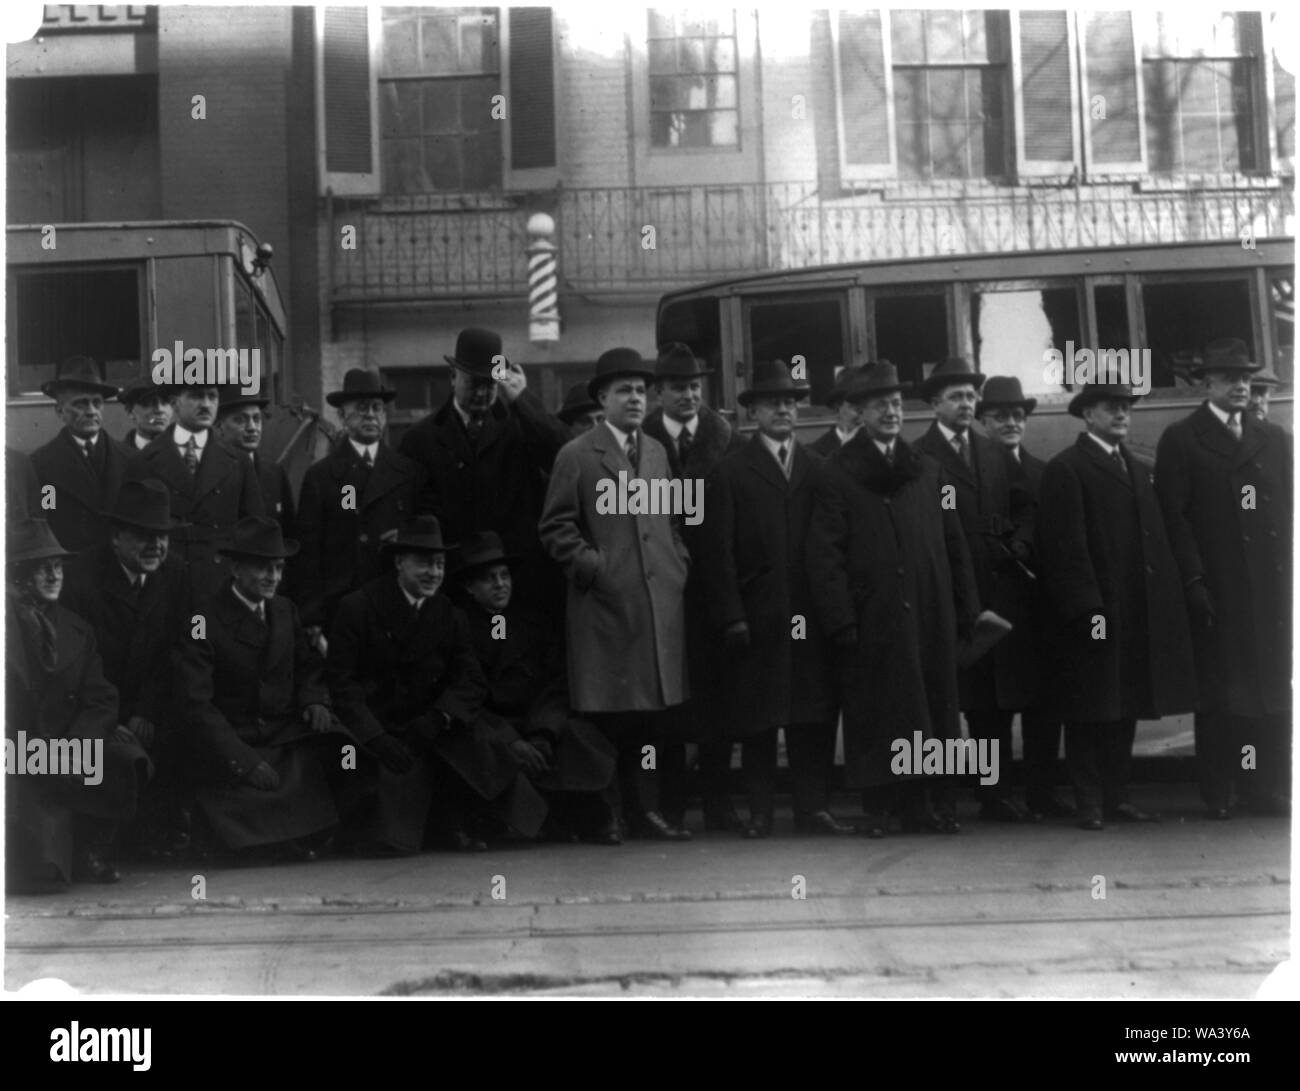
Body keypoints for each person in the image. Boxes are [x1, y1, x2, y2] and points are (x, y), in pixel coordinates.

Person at [808, 363, 980, 837]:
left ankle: (927, 802)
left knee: (932, 704)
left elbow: (953, 542)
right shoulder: (835, 475)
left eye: (898, 404)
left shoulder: (930, 470)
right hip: (874, 614)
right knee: (882, 708)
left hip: (930, 610)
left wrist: (966, 606)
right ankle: (883, 805)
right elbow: (825, 557)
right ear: (859, 413)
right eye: (880, 404)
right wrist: (841, 620)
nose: (891, 412)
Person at [539, 347, 692, 841]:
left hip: (654, 607)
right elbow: (555, 527)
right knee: (608, 718)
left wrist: (677, 565)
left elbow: (670, 520)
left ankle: (643, 810)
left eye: (640, 390)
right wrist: (595, 568)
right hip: (604, 608)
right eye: (623, 390)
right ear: (601, 398)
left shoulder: (655, 453)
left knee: (649, 720)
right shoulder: (577, 454)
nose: (634, 398)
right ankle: (606, 814)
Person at [327, 517, 546, 854]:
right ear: (400, 563)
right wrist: (376, 737)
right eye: (425, 564)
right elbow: (343, 685)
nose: (434, 573)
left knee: (476, 749)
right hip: (377, 729)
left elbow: (470, 679)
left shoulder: (446, 612)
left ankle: (466, 823)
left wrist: (440, 717)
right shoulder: (357, 607)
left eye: (440, 564)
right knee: (388, 813)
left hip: (427, 726)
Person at [1036, 382, 1197, 830]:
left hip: (1131, 611)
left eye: (1126, 408)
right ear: (1088, 415)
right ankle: (1089, 801)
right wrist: (1089, 611)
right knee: (1090, 707)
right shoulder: (1067, 469)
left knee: (1122, 704)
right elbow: (1066, 550)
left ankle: (1115, 795)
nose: (1122, 415)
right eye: (1112, 408)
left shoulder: (1133, 466)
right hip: (1095, 613)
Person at [699, 360, 850, 838]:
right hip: (757, 615)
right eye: (772, 404)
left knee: (813, 714)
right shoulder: (730, 472)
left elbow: (834, 545)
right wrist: (731, 616)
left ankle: (813, 808)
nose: (782, 410)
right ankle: (761, 812)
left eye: (789, 402)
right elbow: (716, 552)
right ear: (754, 413)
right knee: (759, 718)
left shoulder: (818, 468)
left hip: (808, 612)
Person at [1154, 338, 1292, 818]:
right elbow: (1176, 517)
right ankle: (1221, 791)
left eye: (1246, 378)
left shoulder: (1273, 438)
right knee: (1221, 695)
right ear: (1206, 384)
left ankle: (1263, 787)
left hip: (1271, 589)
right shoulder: (1183, 438)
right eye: (1230, 378)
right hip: (1220, 587)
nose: (1241, 386)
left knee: (1270, 692)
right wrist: (1193, 581)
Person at [177, 517, 341, 860]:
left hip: (282, 733)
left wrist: (314, 700)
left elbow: (308, 664)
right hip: (234, 739)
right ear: (235, 568)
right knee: (246, 791)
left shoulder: (285, 609)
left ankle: (309, 836)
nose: (274, 578)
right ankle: (261, 842)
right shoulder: (202, 620)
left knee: (343, 747)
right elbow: (196, 705)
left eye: (279, 568)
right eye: (263, 568)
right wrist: (244, 761)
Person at [914, 358, 1035, 822]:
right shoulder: (921, 456)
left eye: (970, 396)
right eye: (955, 397)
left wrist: (1019, 542)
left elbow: (1027, 505)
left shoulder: (994, 453)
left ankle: (994, 793)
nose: (965, 404)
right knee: (948, 697)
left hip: (997, 588)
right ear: (934, 404)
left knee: (993, 702)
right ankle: (937, 798)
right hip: (947, 589)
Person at [6, 519, 147, 892]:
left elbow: (101, 698)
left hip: (67, 748)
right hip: (17, 753)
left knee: (125, 757)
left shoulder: (77, 629)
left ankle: (91, 849)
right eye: (43, 567)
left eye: (58, 566)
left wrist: (76, 746)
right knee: (40, 875)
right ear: (19, 574)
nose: (54, 575)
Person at [454, 530, 620, 842]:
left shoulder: (531, 624)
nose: (501, 584)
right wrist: (509, 740)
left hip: (536, 722)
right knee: (475, 748)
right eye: (489, 578)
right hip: (491, 727)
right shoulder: (458, 628)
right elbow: (463, 696)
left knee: (580, 737)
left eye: (504, 576)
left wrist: (542, 733)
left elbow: (556, 683)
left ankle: (596, 819)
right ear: (470, 587)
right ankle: (513, 824)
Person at [641, 341, 744, 833]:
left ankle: (719, 802)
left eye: (695, 387)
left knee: (719, 704)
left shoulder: (727, 441)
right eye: (678, 387)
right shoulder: (641, 441)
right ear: (658, 392)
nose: (689, 395)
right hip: (660, 590)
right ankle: (673, 804)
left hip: (714, 590)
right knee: (668, 708)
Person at [61, 480, 193, 857]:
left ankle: (165, 830)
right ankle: (98, 843)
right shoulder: (79, 579)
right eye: (143, 536)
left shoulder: (177, 574)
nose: (156, 546)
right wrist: (111, 718)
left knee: (194, 723)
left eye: (162, 536)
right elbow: (76, 665)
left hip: (152, 701)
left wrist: (148, 709)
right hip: (95, 706)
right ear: (116, 536)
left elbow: (182, 646)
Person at [398, 327, 568, 616]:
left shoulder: (519, 425)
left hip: (516, 585)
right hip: (454, 587)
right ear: (453, 378)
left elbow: (565, 455)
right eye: (473, 383)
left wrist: (521, 399)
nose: (482, 392)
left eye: (490, 384)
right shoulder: (420, 439)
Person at [975, 376, 1072, 820]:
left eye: (1018, 416)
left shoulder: (1044, 472)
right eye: (1000, 416)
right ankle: (994, 796)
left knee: (1042, 706)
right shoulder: (974, 470)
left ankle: (1042, 791)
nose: (1011, 423)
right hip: (993, 607)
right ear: (983, 421)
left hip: (1036, 611)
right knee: (989, 712)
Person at [295, 368, 427, 640]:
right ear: (342, 416)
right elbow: (308, 555)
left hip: (394, 601)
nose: (370, 415)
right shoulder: (321, 476)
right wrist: (312, 617)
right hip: (341, 609)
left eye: (378, 408)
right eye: (362, 407)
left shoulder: (407, 472)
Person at [126, 380, 264, 601]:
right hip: (164, 586)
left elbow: (255, 532)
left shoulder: (238, 462)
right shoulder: (143, 460)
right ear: (174, 403)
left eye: (212, 396)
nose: (206, 404)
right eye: (197, 396)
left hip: (221, 586)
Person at [30, 355, 129, 553]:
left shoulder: (129, 457)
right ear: (60, 411)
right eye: (80, 404)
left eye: (97, 403)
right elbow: (45, 517)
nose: (91, 411)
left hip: (118, 568)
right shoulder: (41, 464)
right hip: (72, 569)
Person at [215, 386, 296, 533]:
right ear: (220, 427)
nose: (252, 427)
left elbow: (289, 531)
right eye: (240, 420)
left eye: (257, 419)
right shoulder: (210, 473)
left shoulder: (275, 473)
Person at [810, 365, 866, 457]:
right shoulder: (817, 454)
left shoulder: (881, 450)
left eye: (867, 408)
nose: (864, 417)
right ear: (837, 407)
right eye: (857, 409)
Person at [120, 376, 175, 452]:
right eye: (148, 403)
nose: (160, 410)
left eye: (165, 402)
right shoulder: (118, 456)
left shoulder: (186, 453)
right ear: (130, 412)